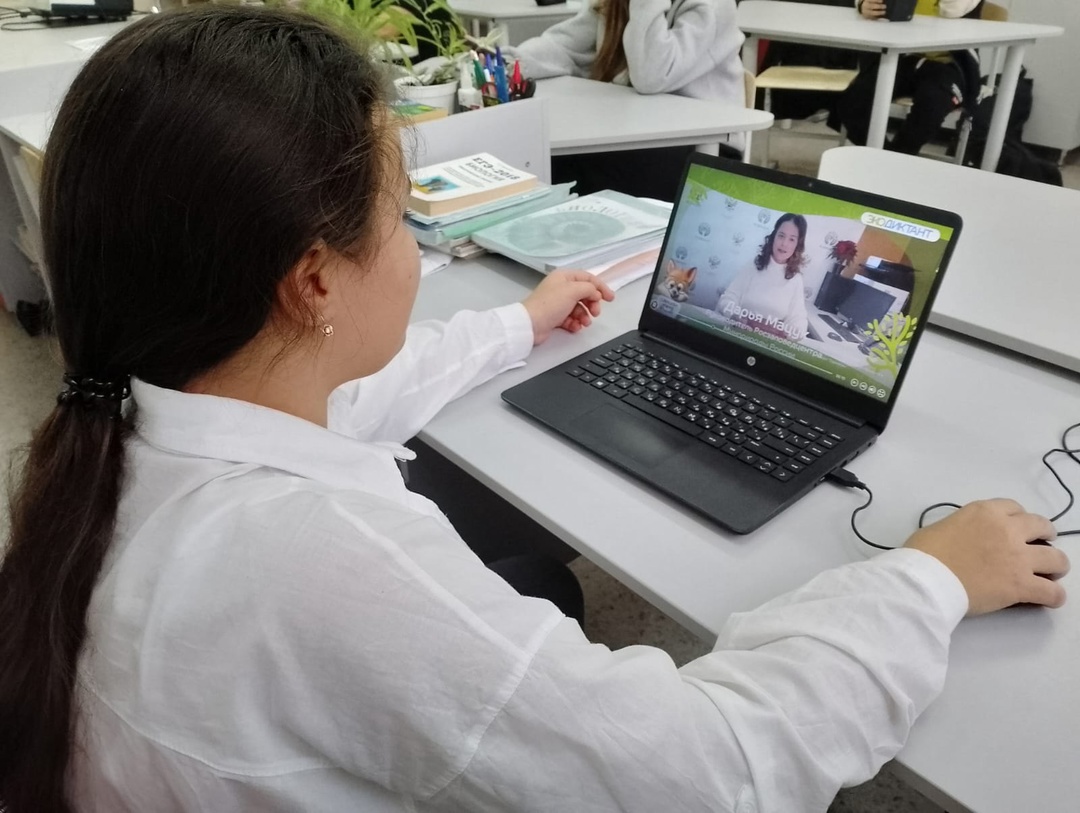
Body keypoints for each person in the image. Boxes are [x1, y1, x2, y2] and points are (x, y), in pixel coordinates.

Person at [0, 7, 1069, 813]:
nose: (411, 244)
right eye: (400, 215)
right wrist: (927, 578)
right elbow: (711, 770)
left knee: (539, 579)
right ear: (313, 282)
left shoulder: (127, 419)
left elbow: (353, 396)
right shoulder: (323, 565)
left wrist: (520, 322)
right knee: (547, 593)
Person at [509, 0, 746, 200]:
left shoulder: (713, 5)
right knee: (543, 159)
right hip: (636, 137)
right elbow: (562, 46)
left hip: (707, 147)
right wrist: (506, 63)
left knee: (575, 170)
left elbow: (652, 75)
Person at [830, 0, 983, 154]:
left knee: (931, 105)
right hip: (900, 56)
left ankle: (894, 159)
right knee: (852, 102)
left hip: (949, 63)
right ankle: (886, 158)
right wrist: (863, 4)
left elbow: (952, 9)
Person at [717, 213, 810, 341]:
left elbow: (798, 320)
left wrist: (787, 333)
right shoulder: (753, 265)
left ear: (797, 245)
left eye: (791, 239)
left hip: (768, 343)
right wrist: (736, 317)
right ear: (773, 237)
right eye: (781, 236)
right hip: (737, 335)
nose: (784, 243)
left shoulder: (796, 279)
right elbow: (727, 299)